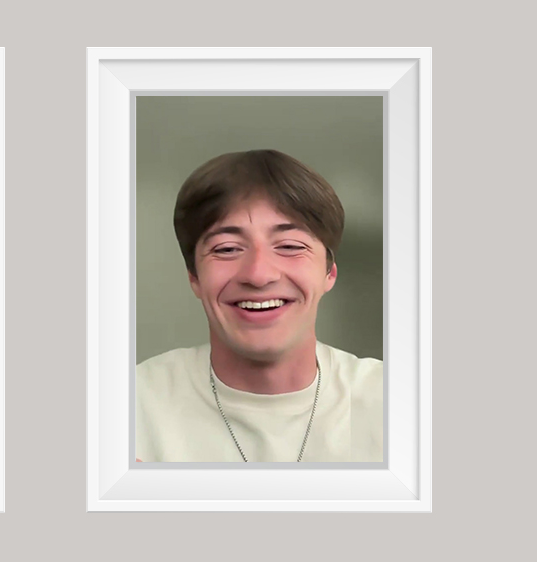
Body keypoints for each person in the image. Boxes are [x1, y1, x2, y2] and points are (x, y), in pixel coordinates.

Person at [136, 150, 382, 462]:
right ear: (194, 277)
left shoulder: (399, 406)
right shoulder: (127, 408)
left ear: (329, 273)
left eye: (290, 246)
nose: (258, 274)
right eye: (227, 249)